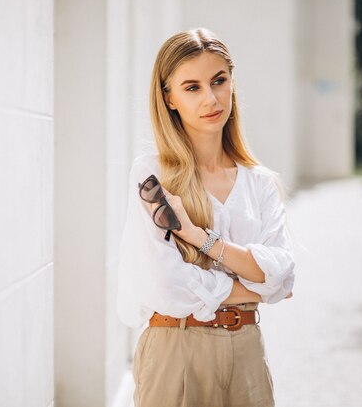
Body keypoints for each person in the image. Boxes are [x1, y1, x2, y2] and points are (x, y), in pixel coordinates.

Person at [116, 28, 296, 407]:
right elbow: (164, 285)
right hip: (175, 349)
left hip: (247, 351)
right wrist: (257, 287)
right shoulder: (153, 176)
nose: (211, 98)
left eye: (219, 81)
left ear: (232, 82)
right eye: (192, 87)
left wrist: (199, 238)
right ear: (169, 98)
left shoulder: (261, 182)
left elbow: (282, 269)